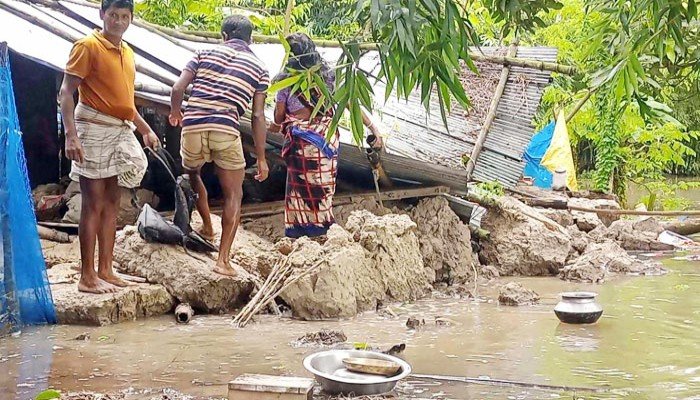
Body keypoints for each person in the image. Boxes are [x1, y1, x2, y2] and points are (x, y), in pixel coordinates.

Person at [59, 0, 160, 294]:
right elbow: (66, 93)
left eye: (124, 16)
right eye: (113, 15)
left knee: (113, 200)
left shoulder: (127, 52)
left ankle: (106, 269)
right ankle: (87, 276)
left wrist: (146, 129)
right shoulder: (87, 46)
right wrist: (70, 135)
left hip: (119, 129)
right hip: (92, 127)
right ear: (102, 15)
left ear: (131, 19)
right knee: (93, 202)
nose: (118, 21)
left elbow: (126, 102)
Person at [169, 15, 270, 277]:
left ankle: (206, 226)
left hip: (193, 125)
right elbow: (258, 116)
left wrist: (176, 113)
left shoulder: (203, 51)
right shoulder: (259, 67)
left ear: (223, 37)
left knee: (193, 174)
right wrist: (261, 157)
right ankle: (223, 261)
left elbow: (178, 88)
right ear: (251, 40)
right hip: (226, 128)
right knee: (234, 194)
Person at [271, 33, 382, 238]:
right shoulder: (329, 76)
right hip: (325, 141)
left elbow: (278, 116)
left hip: (300, 144)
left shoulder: (285, 80)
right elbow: (349, 103)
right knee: (322, 185)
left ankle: (299, 232)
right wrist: (373, 128)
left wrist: (276, 123)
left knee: (299, 189)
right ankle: (322, 228)